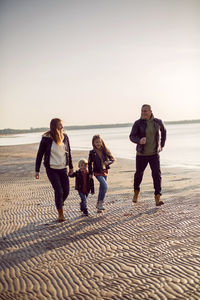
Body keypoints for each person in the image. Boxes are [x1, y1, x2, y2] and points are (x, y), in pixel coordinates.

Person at [35, 118, 73, 221]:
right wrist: (37, 170)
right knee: (59, 191)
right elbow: (39, 155)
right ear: (54, 126)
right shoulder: (46, 138)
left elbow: (69, 152)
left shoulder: (65, 137)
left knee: (66, 191)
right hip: (51, 169)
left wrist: (71, 167)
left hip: (63, 168)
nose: (62, 127)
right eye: (60, 125)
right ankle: (60, 212)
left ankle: (59, 202)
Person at [129, 104, 166, 206]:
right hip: (141, 154)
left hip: (154, 154)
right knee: (138, 174)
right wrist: (139, 140)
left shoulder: (158, 122)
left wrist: (161, 145)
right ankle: (136, 192)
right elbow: (132, 136)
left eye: (145, 111)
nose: (143, 113)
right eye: (142, 111)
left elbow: (164, 131)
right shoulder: (138, 123)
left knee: (157, 175)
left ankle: (157, 197)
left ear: (150, 111)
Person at [88, 134, 115, 212]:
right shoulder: (92, 152)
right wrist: (90, 173)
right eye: (96, 142)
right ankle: (100, 203)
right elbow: (89, 164)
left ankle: (99, 204)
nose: (98, 144)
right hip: (97, 172)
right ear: (93, 143)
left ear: (102, 142)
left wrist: (109, 162)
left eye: (99, 142)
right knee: (105, 186)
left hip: (105, 171)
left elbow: (112, 159)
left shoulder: (105, 150)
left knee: (102, 188)